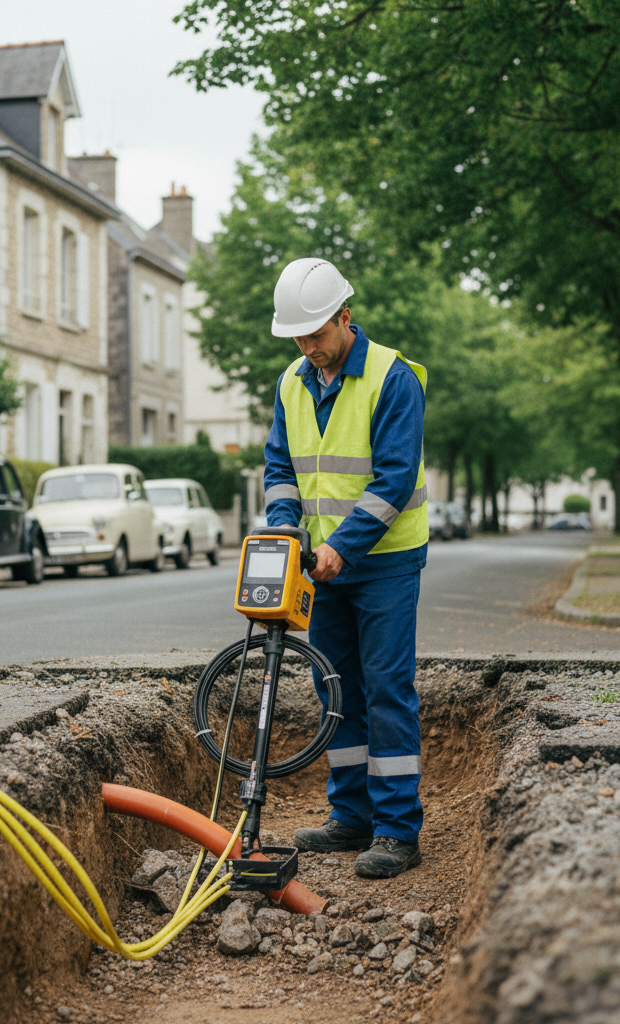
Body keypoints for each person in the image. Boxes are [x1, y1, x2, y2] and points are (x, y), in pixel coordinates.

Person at [263, 257, 429, 878]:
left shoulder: (393, 378)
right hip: (321, 566)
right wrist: (286, 532)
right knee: (336, 691)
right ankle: (351, 816)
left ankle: (396, 830)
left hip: (384, 562)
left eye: (316, 334)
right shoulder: (291, 382)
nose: (308, 347)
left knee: (387, 689)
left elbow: (394, 479)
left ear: (345, 318)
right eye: (298, 337)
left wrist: (345, 543)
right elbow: (281, 469)